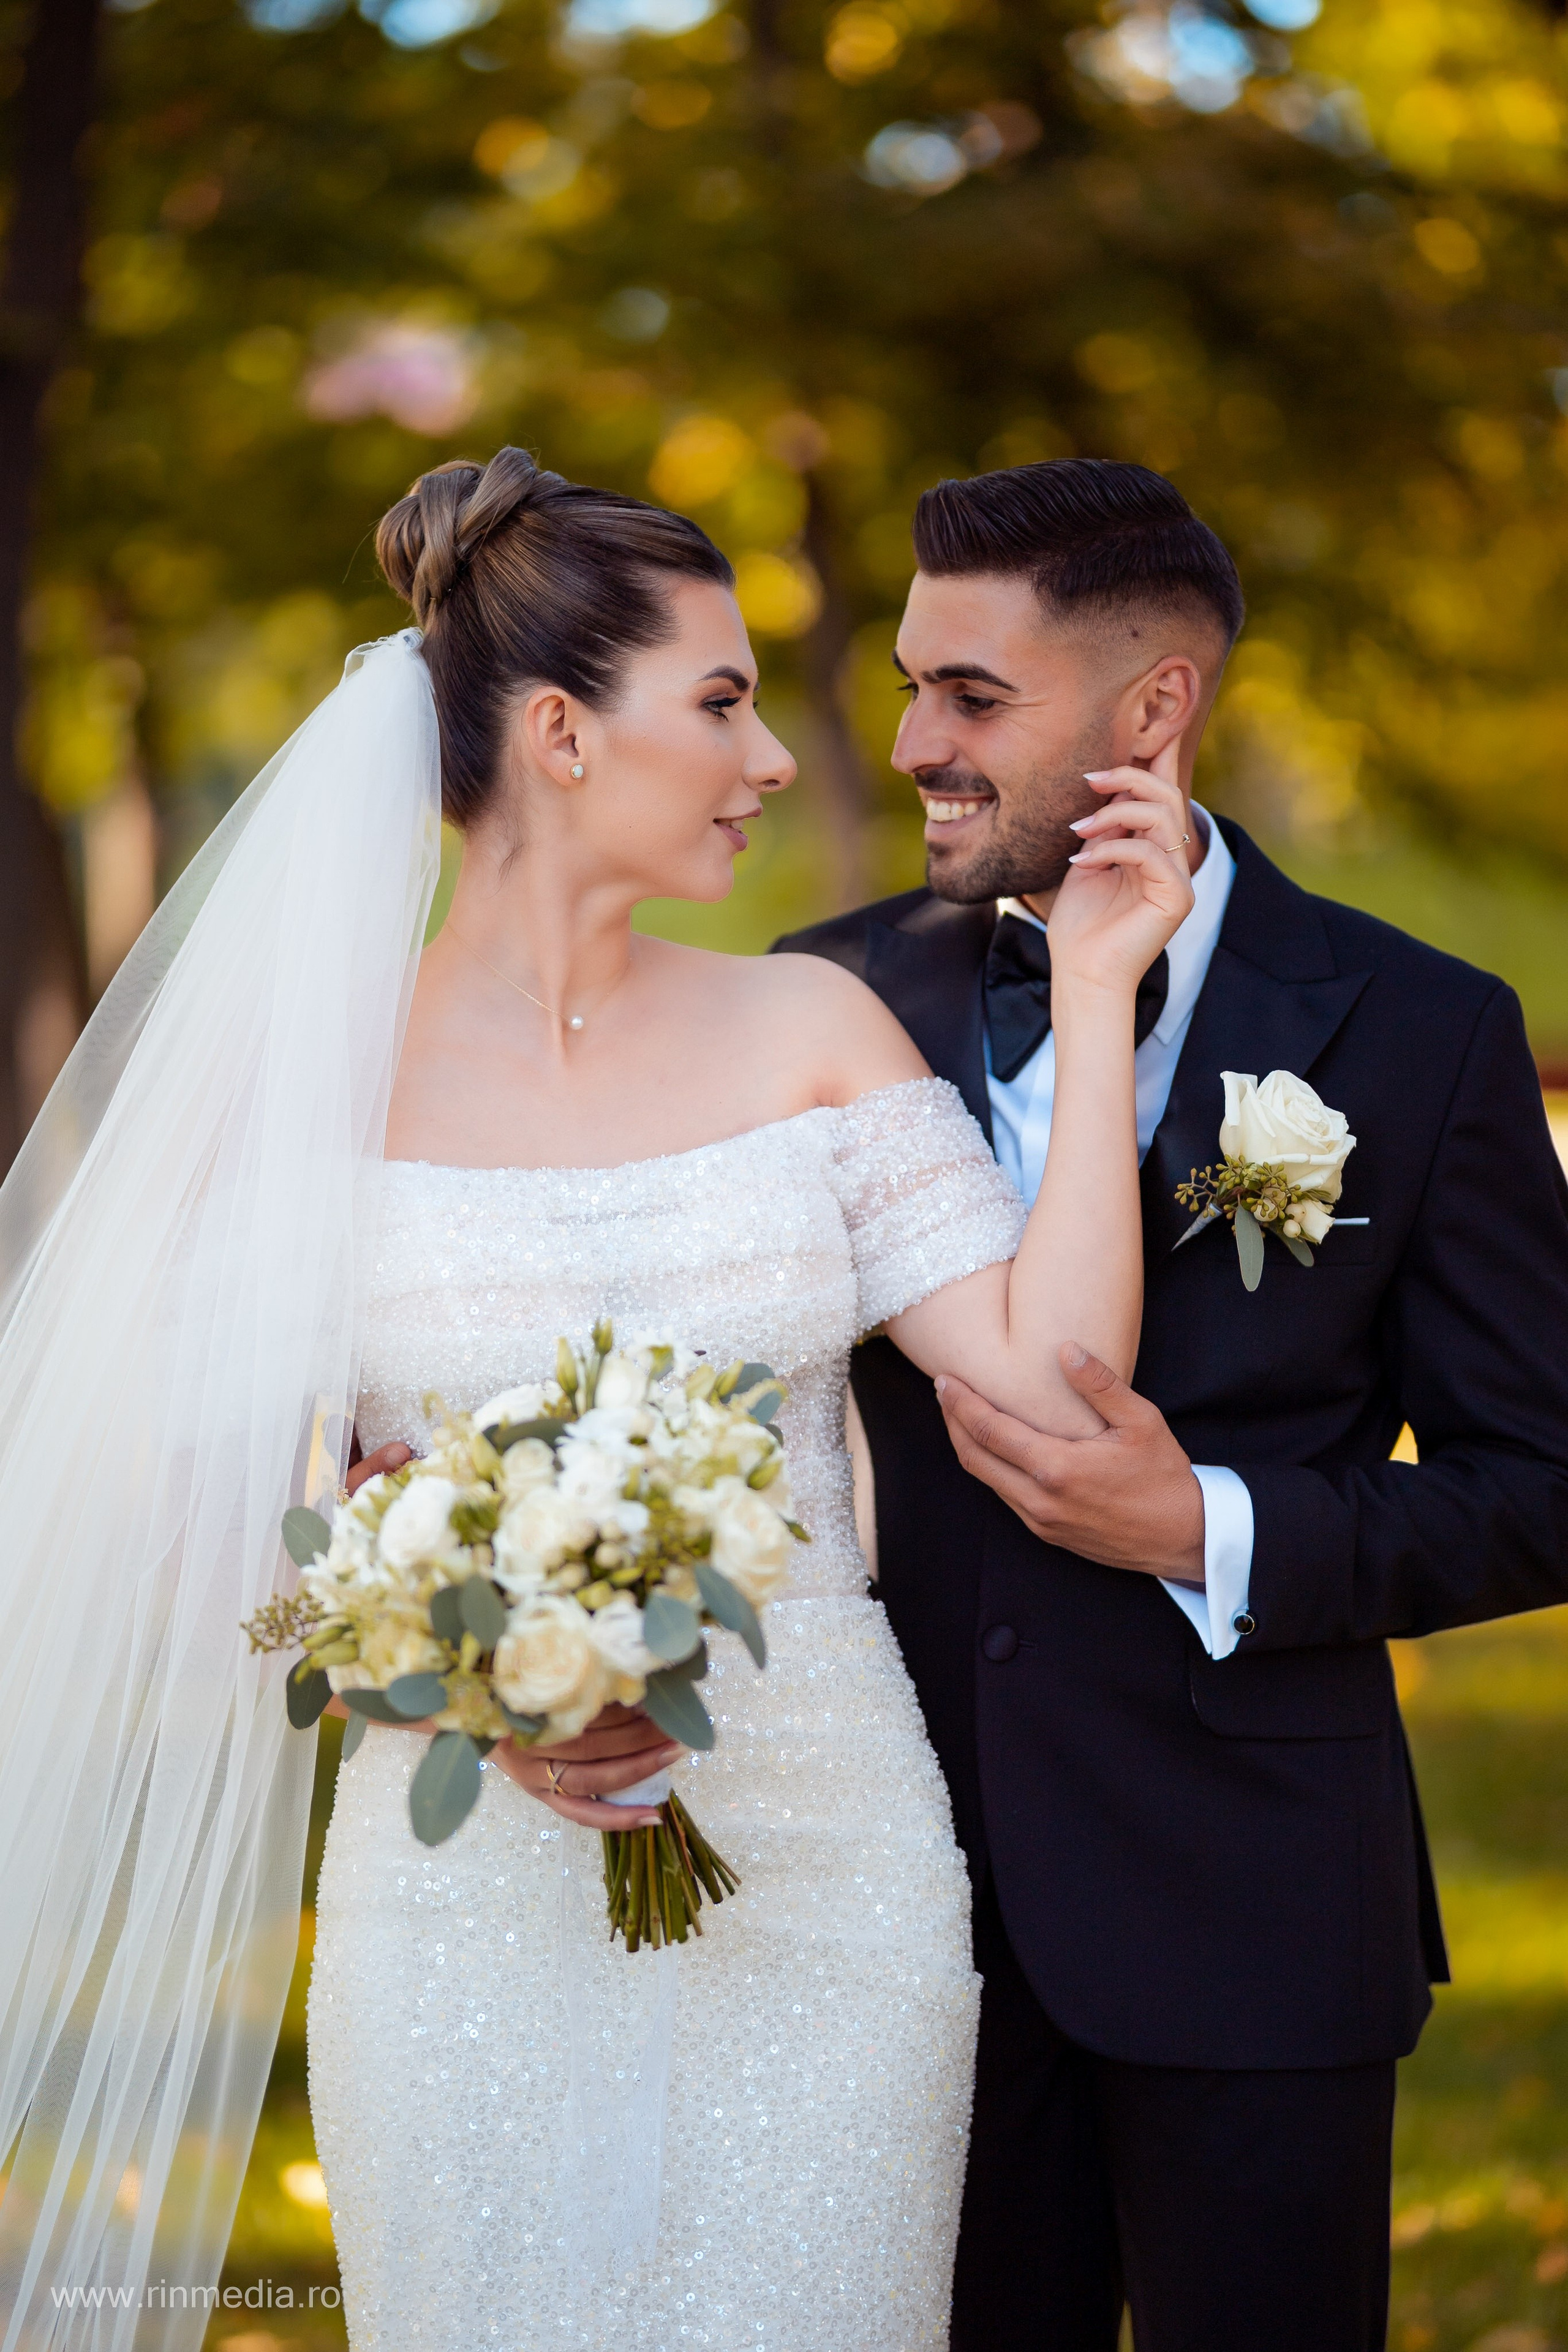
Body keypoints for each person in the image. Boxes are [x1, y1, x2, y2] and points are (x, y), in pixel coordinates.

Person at [281, 450, 1191, 2349]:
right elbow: (228, 1550)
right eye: (720, 702)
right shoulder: (314, 1091)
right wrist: (463, 1686)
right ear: (558, 733)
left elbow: (1057, 1375)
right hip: (462, 1896)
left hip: (827, 1871)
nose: (775, 757)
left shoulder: (810, 1031)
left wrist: (1102, 992)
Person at [777, 456, 1568, 2352]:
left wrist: (1204, 1526)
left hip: (1259, 1914)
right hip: (899, 1912)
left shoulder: (1420, 1024)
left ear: (1154, 711)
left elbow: (1541, 1479)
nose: (912, 744)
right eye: (906, 683)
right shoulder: (825, 1003)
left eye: (973, 698)